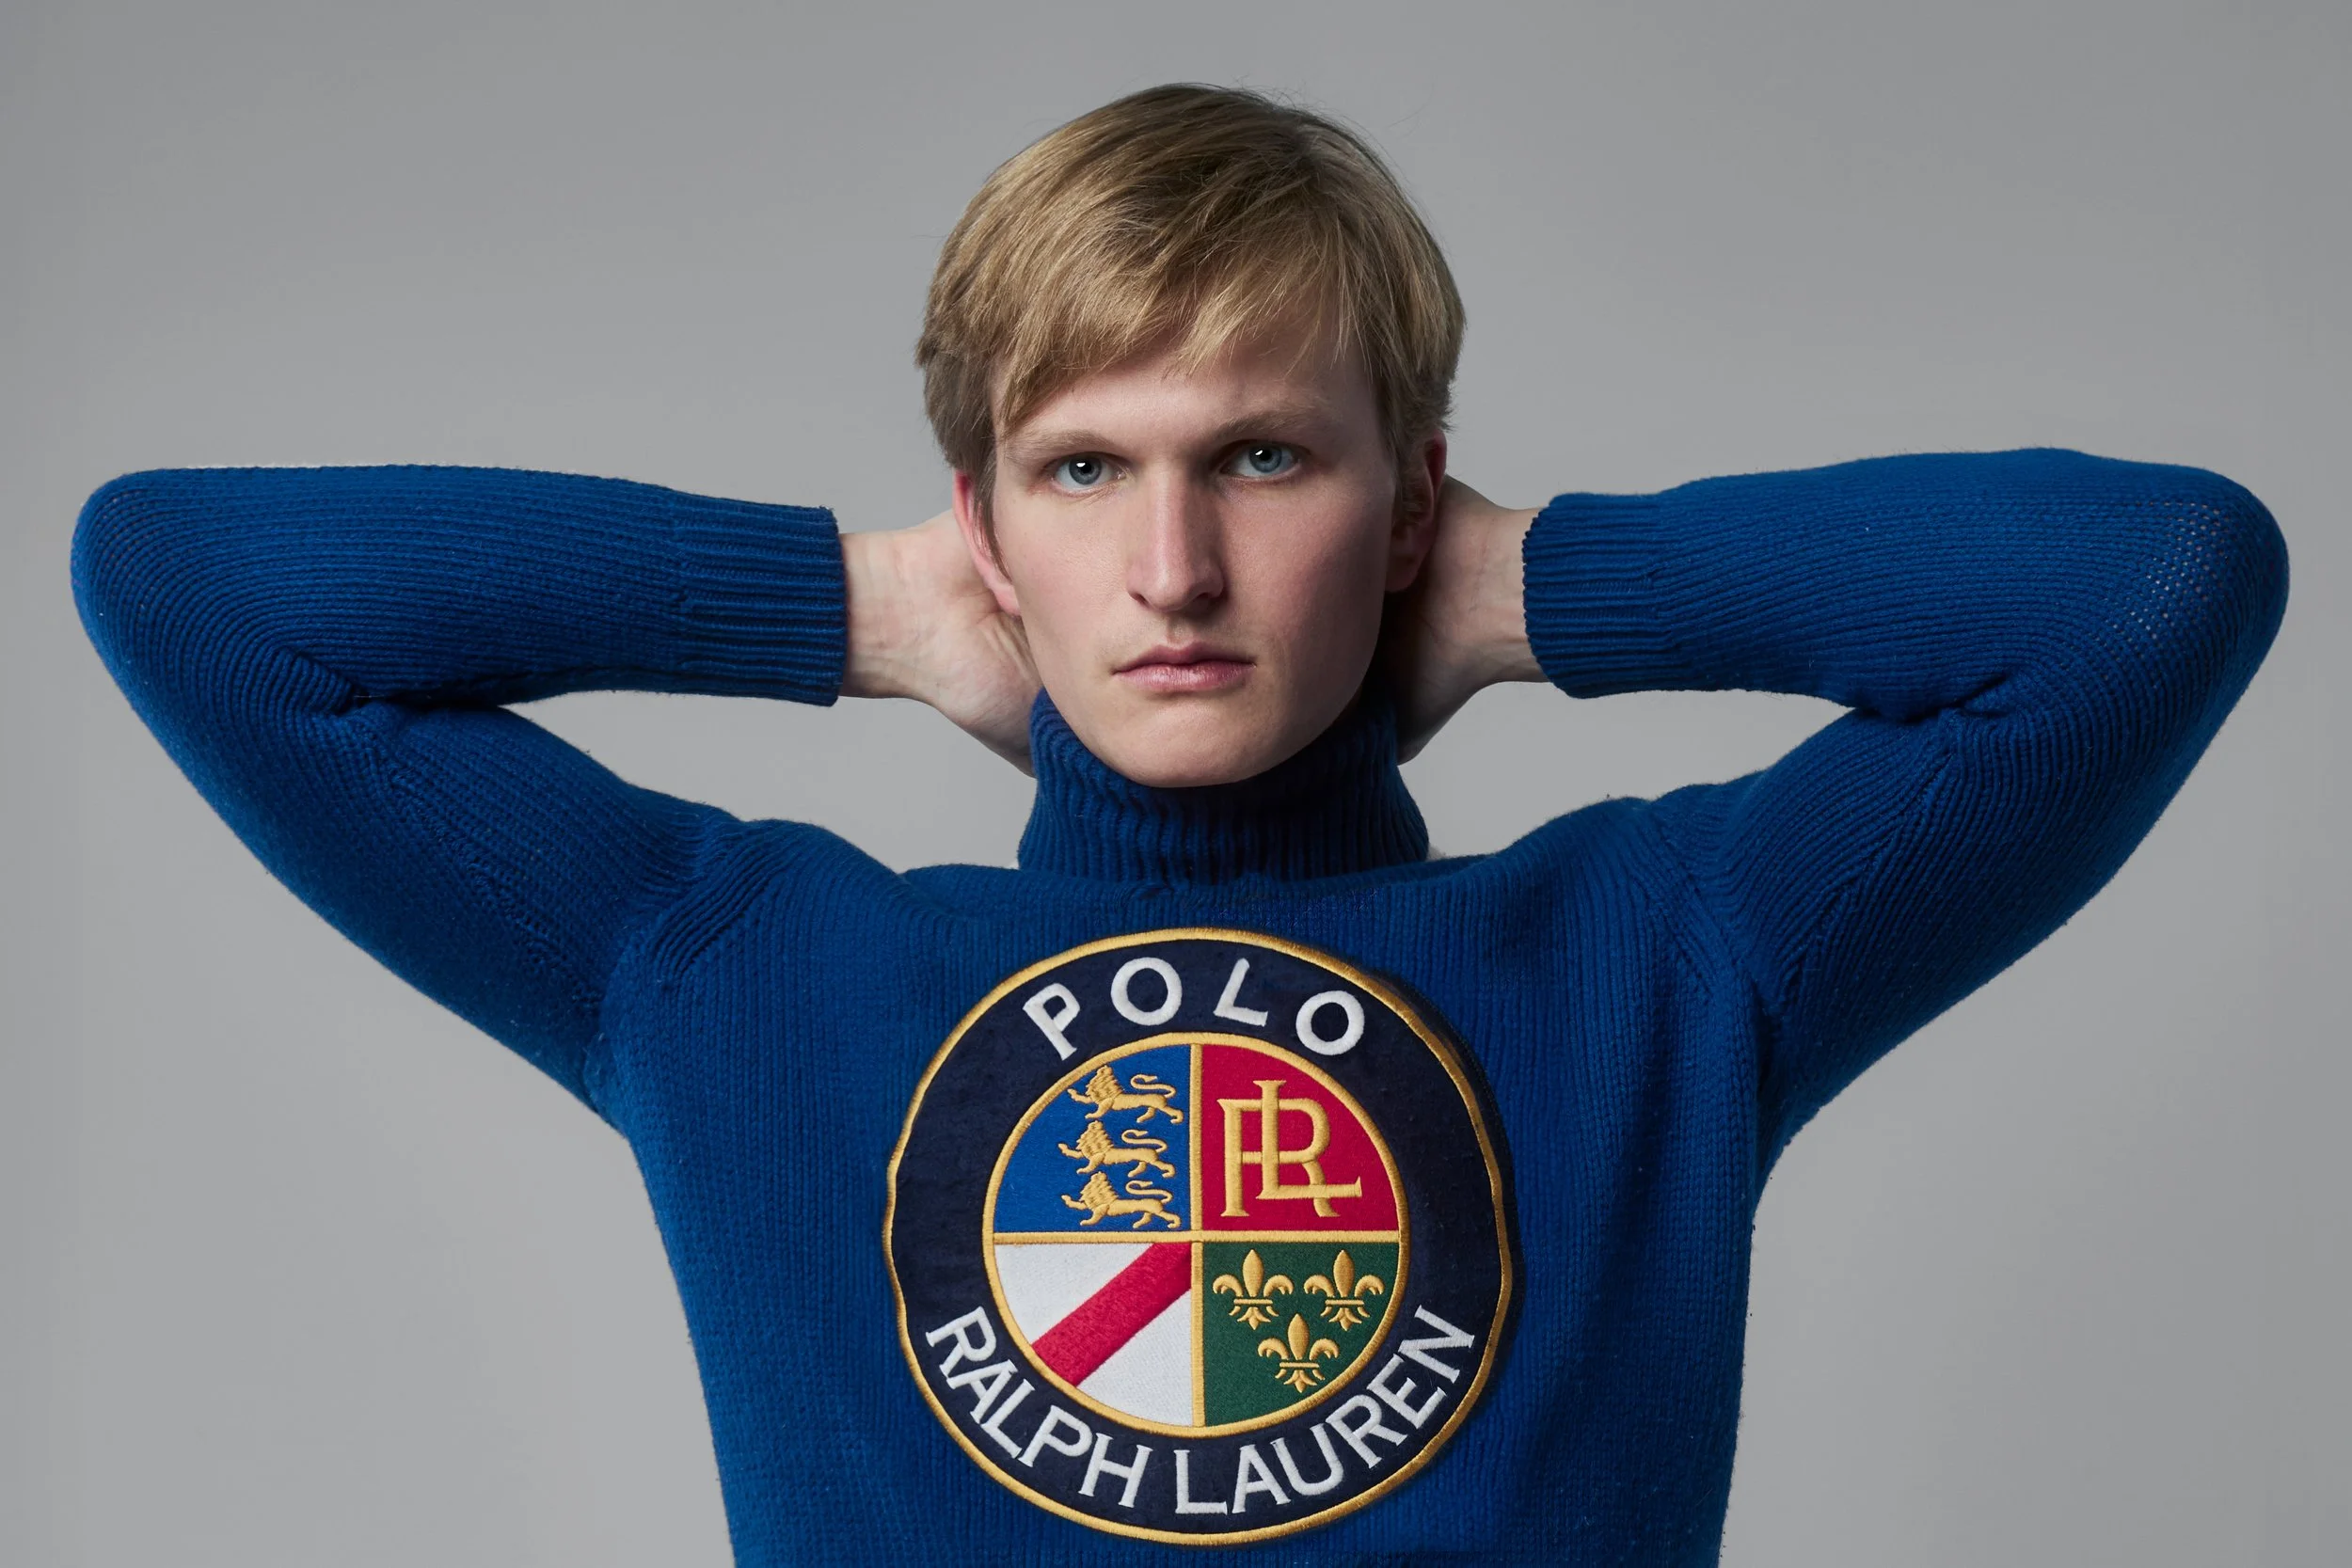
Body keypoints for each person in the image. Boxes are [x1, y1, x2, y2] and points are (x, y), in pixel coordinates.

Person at [71, 83, 2287, 1565]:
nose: (1168, 572)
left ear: (1402, 498)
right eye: (1079, 469)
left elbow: (2147, 583)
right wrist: (857, 607)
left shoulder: (1664, 951)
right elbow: (193, 584)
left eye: (1261, 457)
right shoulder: (742, 968)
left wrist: (1522, 590)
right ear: (984, 518)